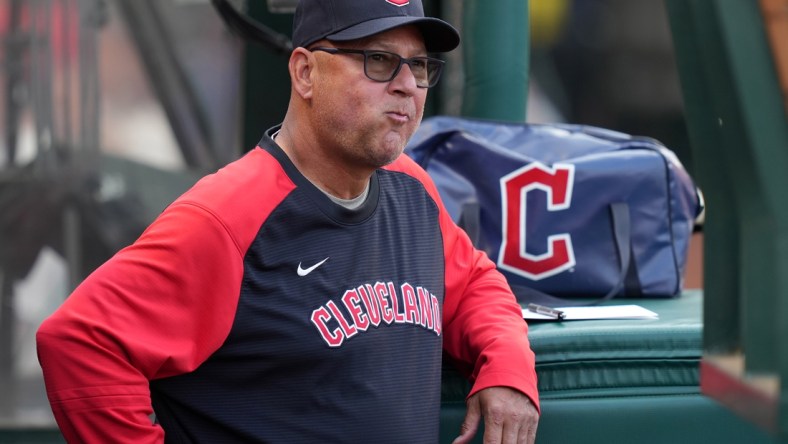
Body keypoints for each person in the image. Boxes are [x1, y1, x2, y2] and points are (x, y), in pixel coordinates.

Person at [36, 0, 540, 442]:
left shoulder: (411, 187)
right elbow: (80, 343)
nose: (408, 86)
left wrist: (509, 368)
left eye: (420, 66)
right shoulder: (227, 217)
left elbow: (474, 283)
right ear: (304, 73)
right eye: (381, 61)